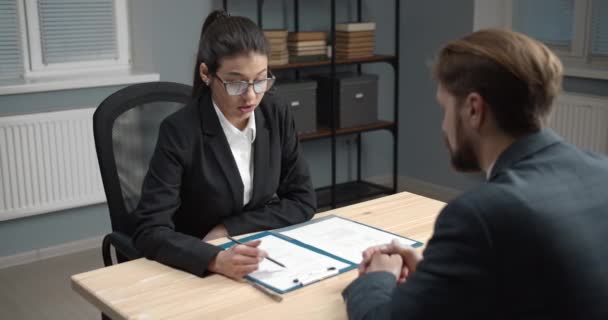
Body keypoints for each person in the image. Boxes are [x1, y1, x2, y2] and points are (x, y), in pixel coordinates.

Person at [342, 29, 608, 319]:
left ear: (473, 109)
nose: (444, 126)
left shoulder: (480, 215)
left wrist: (376, 278)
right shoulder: (600, 170)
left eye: (444, 109)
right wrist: (434, 271)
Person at [132, 10, 316, 280]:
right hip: (196, 266)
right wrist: (214, 258)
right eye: (235, 82)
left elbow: (303, 200)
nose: (251, 96)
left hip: (258, 256)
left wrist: (227, 228)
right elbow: (149, 230)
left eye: (260, 79)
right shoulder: (179, 131)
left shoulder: (275, 113)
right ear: (206, 73)